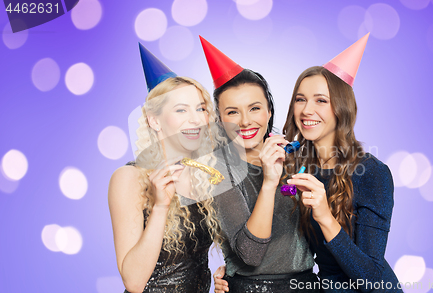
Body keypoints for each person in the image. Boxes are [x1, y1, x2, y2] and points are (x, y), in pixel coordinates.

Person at [284, 33, 403, 292]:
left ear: (342, 108)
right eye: (300, 99)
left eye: (321, 100)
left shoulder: (372, 173)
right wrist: (235, 270)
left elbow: (371, 277)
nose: (306, 110)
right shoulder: (296, 167)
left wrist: (326, 216)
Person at [200, 36, 318, 293]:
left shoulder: (298, 157)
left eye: (254, 108)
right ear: (220, 119)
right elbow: (250, 254)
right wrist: (269, 182)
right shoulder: (218, 170)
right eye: (232, 112)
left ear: (269, 111)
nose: (244, 121)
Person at [108, 44, 224, 293]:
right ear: (154, 120)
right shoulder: (129, 178)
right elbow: (134, 282)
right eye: (181, 109)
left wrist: (224, 275)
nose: (195, 119)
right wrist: (160, 206)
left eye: (200, 108)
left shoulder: (203, 174)